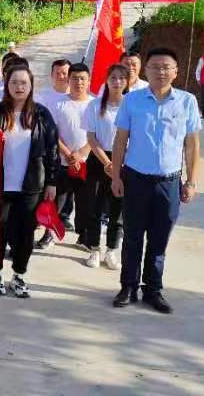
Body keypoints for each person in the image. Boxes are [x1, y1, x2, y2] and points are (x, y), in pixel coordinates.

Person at [111, 48, 200, 314]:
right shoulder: (132, 100)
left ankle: (153, 289)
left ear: (176, 71)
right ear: (145, 70)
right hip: (135, 179)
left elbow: (192, 145)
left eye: (166, 67)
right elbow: (120, 141)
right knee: (133, 237)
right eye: (155, 66)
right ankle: (128, 287)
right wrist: (116, 176)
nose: (160, 71)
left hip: (169, 182)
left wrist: (191, 181)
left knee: (159, 240)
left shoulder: (187, 101)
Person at [0, 64, 59, 298]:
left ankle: (19, 274)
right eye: (14, 82)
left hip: (31, 186)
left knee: (25, 234)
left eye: (24, 82)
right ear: (7, 84)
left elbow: (52, 149)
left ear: (31, 86)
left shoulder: (42, 115)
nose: (19, 87)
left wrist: (52, 182)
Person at [36, 62, 92, 250]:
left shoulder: (94, 104)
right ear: (69, 80)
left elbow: (97, 135)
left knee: (85, 203)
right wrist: (68, 154)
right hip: (62, 161)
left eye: (82, 78)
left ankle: (84, 236)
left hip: (86, 162)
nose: (78, 82)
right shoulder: (58, 104)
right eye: (74, 78)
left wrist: (82, 153)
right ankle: (49, 233)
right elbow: (53, 133)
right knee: (55, 200)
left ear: (89, 80)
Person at [81, 63, 128, 270]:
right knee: (95, 205)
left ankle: (111, 250)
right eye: (113, 78)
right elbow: (91, 138)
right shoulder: (94, 105)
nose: (117, 82)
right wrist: (107, 162)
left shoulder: (131, 105)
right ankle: (94, 249)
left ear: (127, 82)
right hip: (99, 159)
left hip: (125, 160)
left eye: (121, 78)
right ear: (107, 81)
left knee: (117, 208)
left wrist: (119, 163)